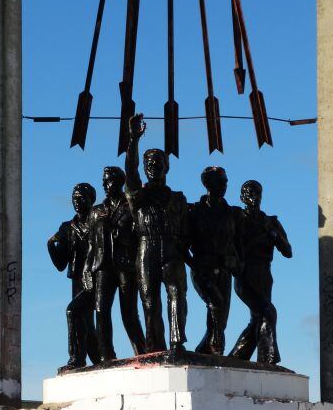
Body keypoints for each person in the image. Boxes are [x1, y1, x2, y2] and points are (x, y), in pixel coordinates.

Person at [124, 113, 189, 352]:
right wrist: (133, 140)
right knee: (150, 303)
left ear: (167, 166)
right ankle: (155, 348)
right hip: (146, 248)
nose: (154, 166)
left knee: (177, 295)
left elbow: (186, 230)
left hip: (171, 249)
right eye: (149, 164)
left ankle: (176, 342)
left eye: (159, 162)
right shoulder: (138, 197)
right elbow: (130, 174)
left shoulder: (178, 199)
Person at [86, 166, 147, 361]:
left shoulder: (130, 205)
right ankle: (106, 355)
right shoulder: (96, 211)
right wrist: (88, 269)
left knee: (129, 312)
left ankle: (142, 351)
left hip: (126, 264)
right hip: (102, 266)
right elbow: (91, 243)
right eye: (103, 181)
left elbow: (140, 235)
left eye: (109, 181)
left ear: (120, 182)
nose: (105, 185)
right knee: (101, 310)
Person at [229, 180, 292, 364]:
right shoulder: (237, 218)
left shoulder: (270, 222)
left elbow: (288, 251)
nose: (253, 196)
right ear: (242, 197)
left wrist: (275, 235)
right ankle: (268, 358)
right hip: (245, 273)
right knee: (268, 312)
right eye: (249, 193)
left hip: (265, 274)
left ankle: (237, 356)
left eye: (257, 193)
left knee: (258, 318)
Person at [47, 183, 101, 368]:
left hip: (96, 279)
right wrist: (50, 246)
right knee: (86, 322)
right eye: (74, 198)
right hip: (77, 281)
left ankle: (76, 359)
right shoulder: (67, 228)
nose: (77, 202)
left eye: (81, 198)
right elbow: (61, 265)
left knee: (73, 312)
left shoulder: (98, 221)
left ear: (92, 200)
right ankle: (98, 359)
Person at [187, 167, 239, 355]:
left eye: (225, 181)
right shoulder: (194, 211)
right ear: (207, 184)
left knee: (220, 319)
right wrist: (195, 265)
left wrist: (236, 262)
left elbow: (236, 241)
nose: (225, 185)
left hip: (224, 269)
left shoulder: (232, 213)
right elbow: (182, 243)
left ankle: (203, 351)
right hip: (202, 268)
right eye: (220, 181)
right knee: (216, 304)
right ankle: (218, 349)